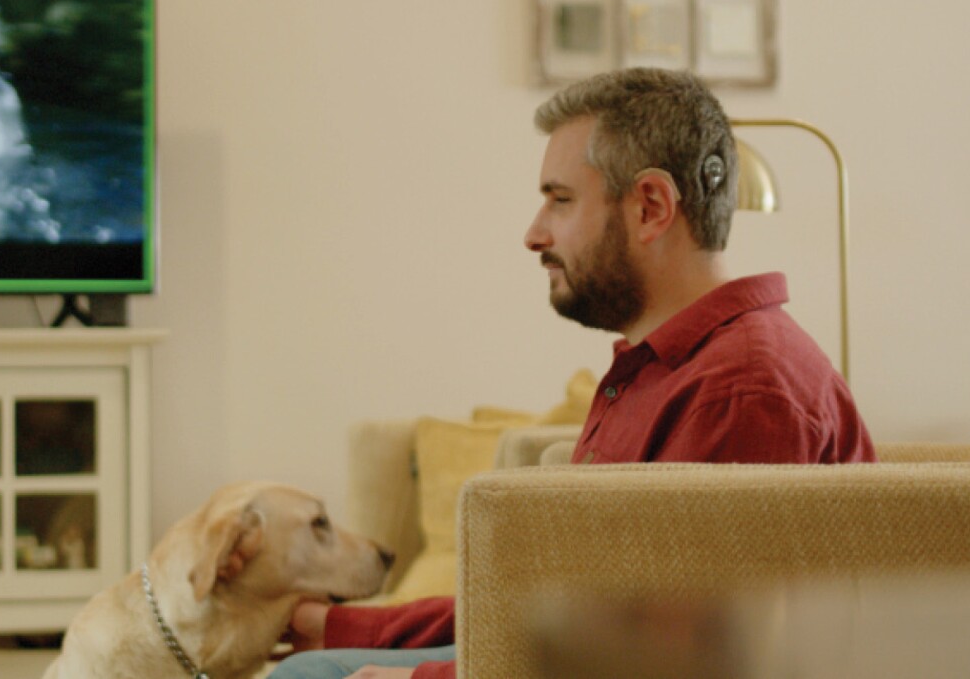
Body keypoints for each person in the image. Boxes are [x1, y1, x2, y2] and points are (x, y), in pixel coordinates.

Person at [269, 67, 877, 679]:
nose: (535, 234)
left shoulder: (740, 392)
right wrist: (340, 625)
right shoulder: (662, 369)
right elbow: (550, 602)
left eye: (560, 199)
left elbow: (669, 661)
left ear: (651, 207)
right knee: (313, 666)